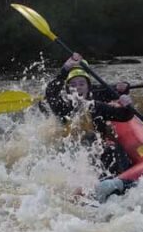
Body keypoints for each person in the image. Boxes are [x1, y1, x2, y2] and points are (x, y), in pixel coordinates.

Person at [44, 53, 137, 201]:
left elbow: (123, 116)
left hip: (96, 148)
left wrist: (128, 105)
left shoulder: (96, 106)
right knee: (90, 141)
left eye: (81, 84)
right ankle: (96, 189)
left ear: (88, 87)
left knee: (112, 148)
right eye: (73, 85)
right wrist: (64, 70)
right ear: (67, 89)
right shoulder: (62, 107)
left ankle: (120, 182)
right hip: (74, 151)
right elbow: (50, 93)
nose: (78, 88)